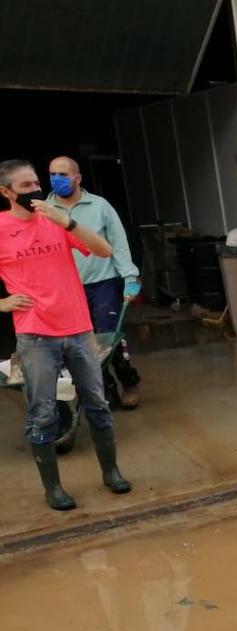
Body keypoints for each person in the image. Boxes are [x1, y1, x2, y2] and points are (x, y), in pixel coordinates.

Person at [0, 159, 132, 510]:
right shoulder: (0, 228)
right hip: (35, 336)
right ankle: (54, 489)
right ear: (6, 192)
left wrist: (68, 221)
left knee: (98, 405)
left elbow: (105, 251)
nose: (35, 190)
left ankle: (111, 473)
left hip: (79, 330)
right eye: (25, 186)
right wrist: (2, 303)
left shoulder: (55, 219)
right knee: (42, 413)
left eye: (35, 183)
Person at [46, 156, 142, 409]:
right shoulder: (44, 211)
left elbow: (118, 243)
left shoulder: (99, 206)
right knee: (81, 346)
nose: (56, 179)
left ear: (77, 178)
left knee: (108, 338)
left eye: (63, 174)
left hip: (103, 284)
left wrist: (130, 276)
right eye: (52, 173)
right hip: (68, 290)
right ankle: (106, 389)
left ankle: (128, 381)